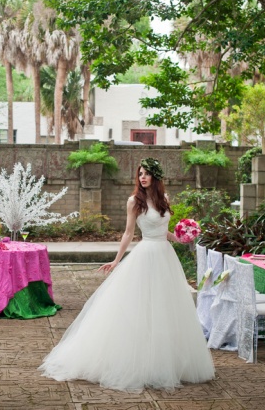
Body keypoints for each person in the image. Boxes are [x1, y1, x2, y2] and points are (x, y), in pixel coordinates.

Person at [39, 158, 215, 392]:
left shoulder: (164, 200)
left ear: (155, 176)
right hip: (146, 255)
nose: (142, 177)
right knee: (141, 307)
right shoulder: (134, 201)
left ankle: (165, 361)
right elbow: (128, 233)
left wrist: (181, 237)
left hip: (165, 256)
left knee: (166, 308)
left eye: (147, 174)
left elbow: (164, 232)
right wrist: (116, 259)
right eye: (140, 174)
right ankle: (137, 361)